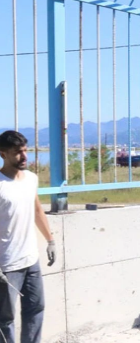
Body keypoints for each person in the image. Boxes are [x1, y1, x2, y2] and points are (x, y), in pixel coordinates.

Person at [0, 130, 56, 343]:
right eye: (18, 153)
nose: (24, 157)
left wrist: (50, 240)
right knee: (5, 319)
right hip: (6, 265)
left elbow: (37, 210)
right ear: (3, 154)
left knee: (36, 309)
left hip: (31, 260)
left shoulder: (31, 179)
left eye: (25, 151)